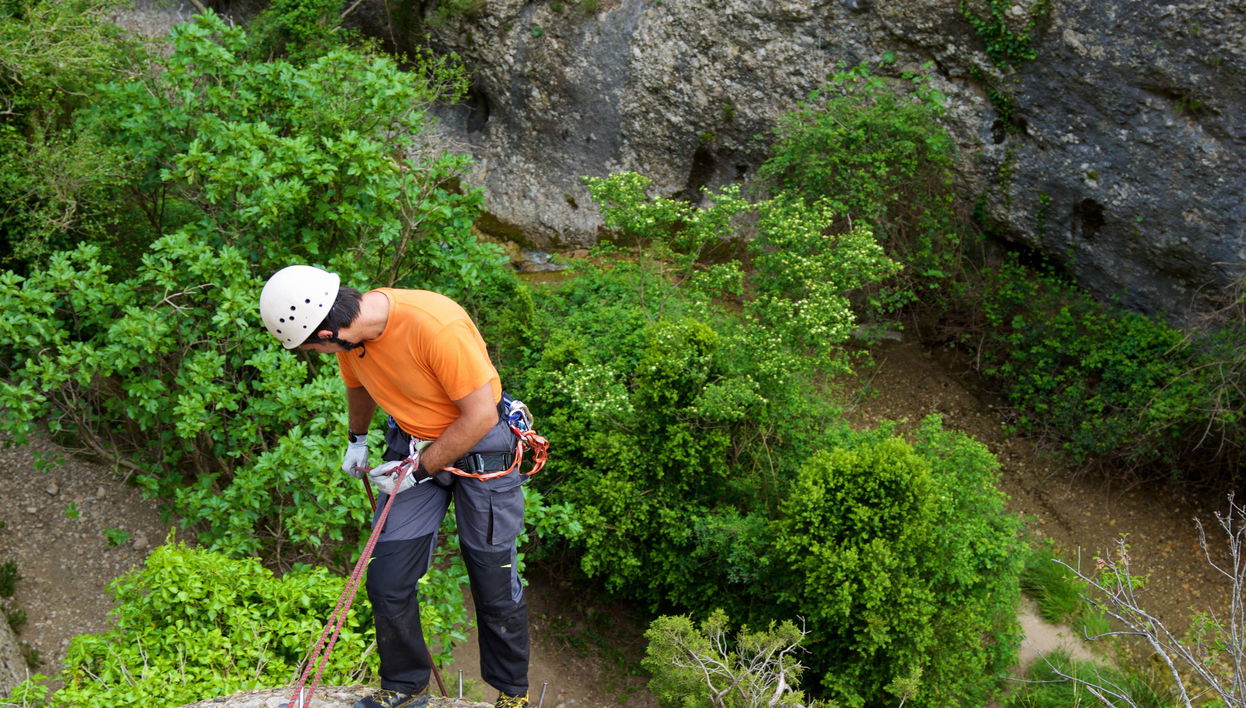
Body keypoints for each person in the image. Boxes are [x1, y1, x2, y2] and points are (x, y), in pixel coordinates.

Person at [260, 265, 530, 708]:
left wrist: (419, 470)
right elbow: (359, 386)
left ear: (326, 333)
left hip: (479, 446)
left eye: (314, 348)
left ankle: (512, 693)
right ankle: (404, 685)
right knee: (387, 578)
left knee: (492, 578)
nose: (320, 353)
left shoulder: (434, 326)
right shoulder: (351, 337)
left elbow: (480, 415)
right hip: (413, 444)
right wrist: (357, 438)